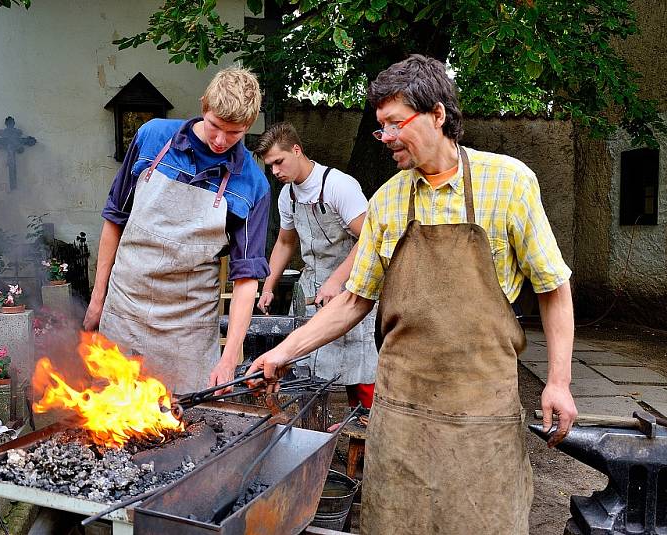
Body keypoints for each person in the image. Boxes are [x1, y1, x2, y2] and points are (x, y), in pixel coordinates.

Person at [246, 54, 577, 534]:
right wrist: (281, 352)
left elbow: (553, 286)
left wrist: (559, 381)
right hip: (400, 414)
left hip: (480, 411)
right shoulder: (388, 200)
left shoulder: (508, 182)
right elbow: (354, 301)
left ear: (438, 114)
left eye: (395, 124)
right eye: (380, 127)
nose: (386, 138)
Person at [84, 67, 270, 395]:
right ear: (203, 106)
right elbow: (114, 218)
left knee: (183, 424)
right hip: (126, 310)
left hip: (189, 331)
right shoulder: (152, 138)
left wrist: (228, 359)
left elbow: (246, 279)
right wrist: (98, 300)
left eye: (234, 133)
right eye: (215, 126)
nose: (220, 140)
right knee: (112, 417)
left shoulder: (253, 185)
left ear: (248, 126)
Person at [254, 123, 377, 410]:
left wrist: (336, 281)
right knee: (307, 369)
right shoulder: (288, 196)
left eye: (278, 162)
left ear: (296, 150)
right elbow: (285, 243)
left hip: (352, 287)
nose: (275, 172)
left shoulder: (338, 186)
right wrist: (268, 287)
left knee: (359, 373)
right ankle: (315, 432)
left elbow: (370, 238)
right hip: (311, 289)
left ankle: (367, 428)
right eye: (270, 166)